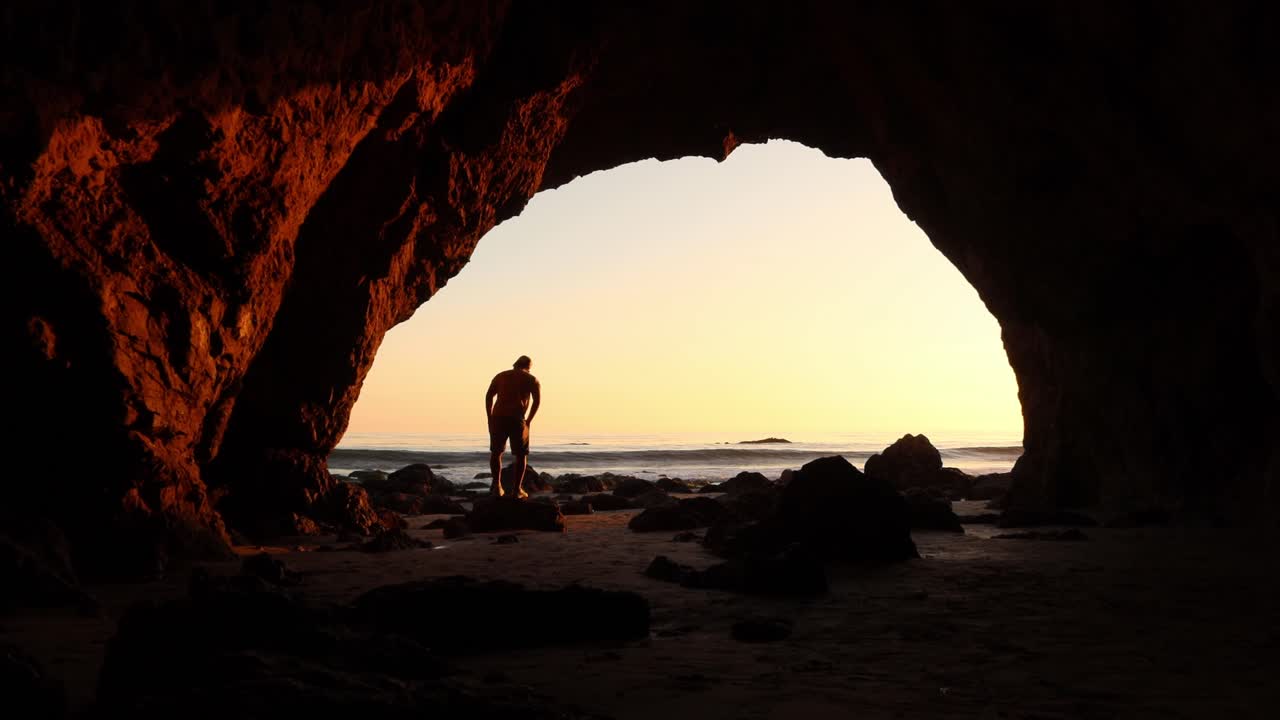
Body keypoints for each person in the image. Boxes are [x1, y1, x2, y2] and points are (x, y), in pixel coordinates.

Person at [484, 355, 541, 497]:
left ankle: (497, 486)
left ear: (514, 364)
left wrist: (489, 416)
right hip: (517, 418)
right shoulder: (531, 379)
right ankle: (517, 490)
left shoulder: (501, 376)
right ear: (528, 367)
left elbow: (489, 396)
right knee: (521, 454)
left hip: (498, 417)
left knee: (496, 452)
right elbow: (537, 401)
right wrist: (529, 420)